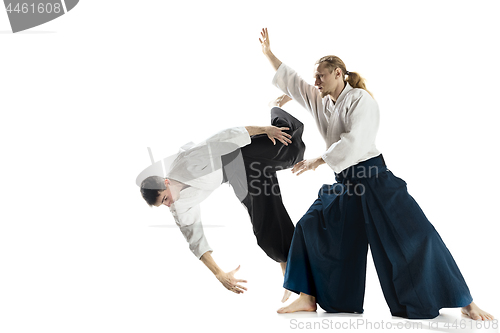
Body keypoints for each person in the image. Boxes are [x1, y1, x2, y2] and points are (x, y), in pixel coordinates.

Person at [259, 28, 494, 321]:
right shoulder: (321, 99)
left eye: (321, 75)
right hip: (345, 185)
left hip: (374, 180)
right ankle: (307, 298)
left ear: (339, 73)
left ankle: (466, 303)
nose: (315, 81)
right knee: (310, 226)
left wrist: (318, 160)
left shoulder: (361, 100)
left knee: (418, 236)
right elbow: (293, 82)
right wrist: (269, 53)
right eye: (315, 76)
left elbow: (355, 142)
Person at [139, 108, 306, 301]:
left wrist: (264, 129)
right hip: (235, 175)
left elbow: (224, 137)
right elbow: (195, 240)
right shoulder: (178, 207)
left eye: (165, 199)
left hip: (237, 153)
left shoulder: (187, 162)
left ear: (166, 182)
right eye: (163, 205)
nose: (169, 205)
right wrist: (219, 274)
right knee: (264, 220)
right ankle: (290, 275)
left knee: (294, 150)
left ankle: (276, 109)